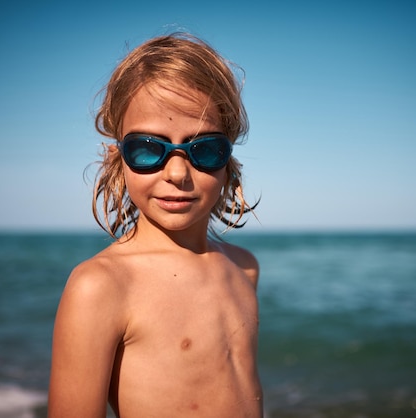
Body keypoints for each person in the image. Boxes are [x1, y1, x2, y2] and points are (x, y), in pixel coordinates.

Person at [47, 32, 262, 417]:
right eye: (149, 148)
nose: (178, 172)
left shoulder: (244, 267)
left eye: (204, 149)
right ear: (118, 158)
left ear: (228, 158)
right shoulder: (101, 286)